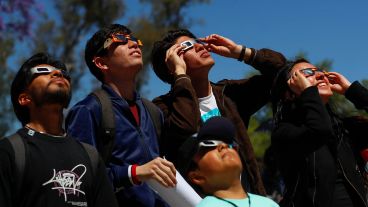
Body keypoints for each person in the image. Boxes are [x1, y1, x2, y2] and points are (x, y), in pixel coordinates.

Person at [150, 29, 286, 194]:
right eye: (187, 46)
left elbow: (282, 73)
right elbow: (187, 127)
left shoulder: (229, 95)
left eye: (197, 42)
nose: (200, 47)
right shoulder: (162, 106)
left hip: (248, 199)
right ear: (171, 62)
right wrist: (180, 74)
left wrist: (240, 52)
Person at [65, 24, 176, 207]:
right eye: (121, 40)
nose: (134, 44)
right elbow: (80, 179)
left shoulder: (153, 112)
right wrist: (134, 173)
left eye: (134, 40)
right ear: (101, 63)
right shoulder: (88, 110)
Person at [0, 53, 118, 207]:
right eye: (42, 71)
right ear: (24, 98)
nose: (58, 73)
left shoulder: (91, 156)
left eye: (64, 74)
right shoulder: (8, 152)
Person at [270, 58, 368, 207]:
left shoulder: (346, 129)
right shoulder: (285, 132)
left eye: (320, 71)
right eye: (307, 73)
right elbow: (319, 131)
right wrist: (308, 92)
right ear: (289, 94)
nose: (321, 75)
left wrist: (351, 90)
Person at [178, 116, 279, 207]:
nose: (223, 146)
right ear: (197, 176)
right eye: (209, 145)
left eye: (227, 143)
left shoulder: (269, 204)